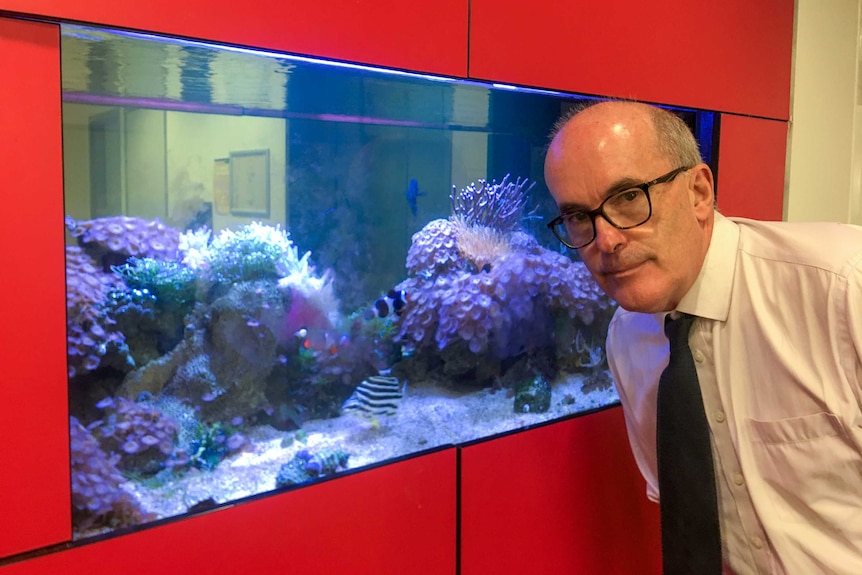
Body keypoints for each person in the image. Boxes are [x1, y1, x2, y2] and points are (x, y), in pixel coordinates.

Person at [543, 100, 862, 574]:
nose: (605, 241)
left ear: (698, 192)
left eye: (629, 196)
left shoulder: (842, 286)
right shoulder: (628, 340)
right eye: (579, 217)